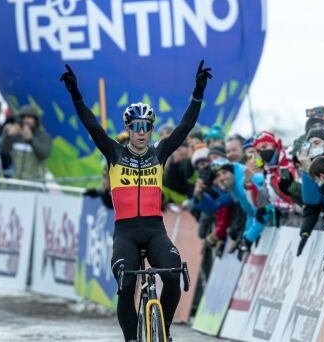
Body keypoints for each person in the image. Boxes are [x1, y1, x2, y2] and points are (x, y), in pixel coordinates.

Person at [60, 60, 211, 342]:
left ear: (152, 129)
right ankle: (131, 339)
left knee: (172, 276)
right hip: (126, 233)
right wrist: (76, 95)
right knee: (127, 283)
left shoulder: (160, 152)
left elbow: (185, 125)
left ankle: (163, 329)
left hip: (155, 230)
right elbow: (92, 125)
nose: (142, 131)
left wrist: (198, 92)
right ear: (129, 128)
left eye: (147, 126)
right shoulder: (115, 154)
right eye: (137, 126)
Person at [0, 105, 51, 181]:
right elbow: (4, 150)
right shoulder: (16, 135)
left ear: (36, 120)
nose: (26, 120)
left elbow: (44, 154)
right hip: (17, 182)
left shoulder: (43, 136)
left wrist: (31, 139)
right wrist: (7, 136)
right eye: (23, 117)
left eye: (29, 117)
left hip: (36, 183)